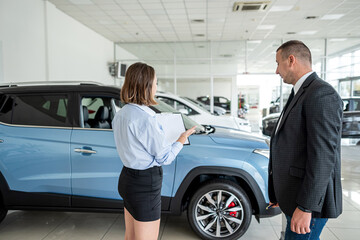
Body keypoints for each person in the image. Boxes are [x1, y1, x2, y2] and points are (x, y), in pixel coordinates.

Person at [268, 40, 343, 240]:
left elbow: (323, 157)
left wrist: (306, 207)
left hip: (308, 203)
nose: (277, 71)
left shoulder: (321, 94)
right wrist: (279, 192)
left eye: (278, 63)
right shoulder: (300, 92)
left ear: (291, 60)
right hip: (295, 196)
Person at [112, 62, 196, 240]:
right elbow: (165, 157)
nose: (156, 87)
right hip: (145, 184)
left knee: (130, 237)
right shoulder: (145, 118)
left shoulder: (121, 113)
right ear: (147, 85)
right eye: (156, 82)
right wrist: (181, 140)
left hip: (127, 179)